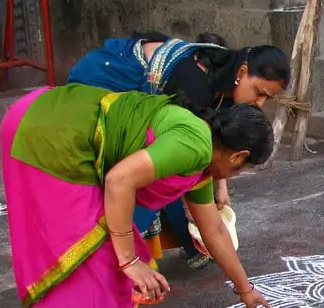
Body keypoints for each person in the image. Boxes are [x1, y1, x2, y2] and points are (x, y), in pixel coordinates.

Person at [0, 83, 273, 308]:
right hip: (50, 130)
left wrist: (245, 288)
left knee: (113, 245)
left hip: (48, 118)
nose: (231, 177)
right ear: (238, 156)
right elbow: (119, 181)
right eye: (239, 170)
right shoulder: (194, 145)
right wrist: (129, 261)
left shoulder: (202, 157)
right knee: (109, 251)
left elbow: (214, 230)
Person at [67, 32, 290, 269]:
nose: (260, 103)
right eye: (259, 92)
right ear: (242, 72)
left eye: (268, 98)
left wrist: (221, 185)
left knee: (181, 178)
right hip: (101, 85)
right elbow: (184, 163)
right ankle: (110, 258)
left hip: (156, 126)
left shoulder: (229, 94)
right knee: (153, 179)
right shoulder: (194, 85)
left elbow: (219, 147)